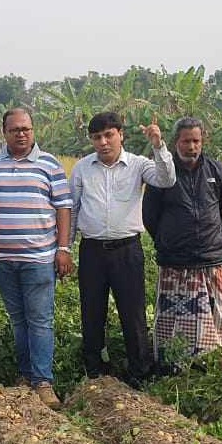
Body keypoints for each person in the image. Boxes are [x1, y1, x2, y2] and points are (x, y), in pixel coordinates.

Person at [0, 109, 73, 410]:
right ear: (4, 132)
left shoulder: (50, 164)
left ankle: (43, 382)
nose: (21, 134)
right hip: (3, 259)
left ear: (33, 130)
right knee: (19, 321)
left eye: (26, 128)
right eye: (15, 129)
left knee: (40, 321)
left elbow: (63, 208)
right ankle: (26, 376)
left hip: (39, 259)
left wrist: (63, 249)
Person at [70, 112, 176, 388]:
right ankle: (95, 370)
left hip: (127, 250)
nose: (103, 142)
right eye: (97, 137)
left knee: (133, 312)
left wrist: (158, 145)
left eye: (109, 135)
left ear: (121, 135)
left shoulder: (138, 164)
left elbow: (166, 180)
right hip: (91, 251)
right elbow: (73, 210)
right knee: (92, 311)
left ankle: (140, 371)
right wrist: (65, 249)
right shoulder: (82, 168)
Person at [143, 117, 222, 369]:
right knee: (172, 322)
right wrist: (167, 240)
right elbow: (150, 216)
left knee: (213, 321)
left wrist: (212, 239)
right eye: (186, 141)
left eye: (196, 141)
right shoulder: (162, 174)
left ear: (203, 141)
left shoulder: (219, 171)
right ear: (176, 142)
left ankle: (210, 368)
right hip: (174, 261)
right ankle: (170, 368)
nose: (191, 147)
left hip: (210, 260)